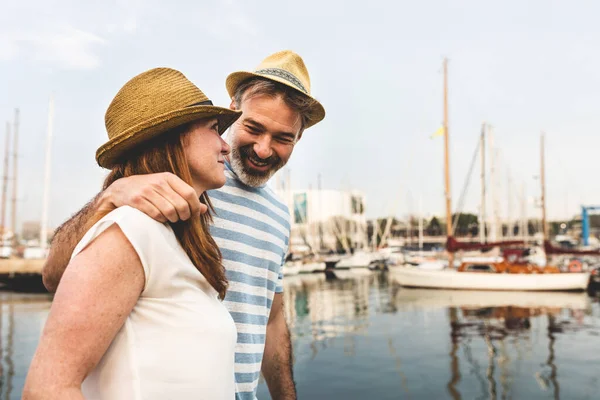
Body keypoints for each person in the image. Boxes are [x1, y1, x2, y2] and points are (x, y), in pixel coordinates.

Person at [41, 50, 326, 400]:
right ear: (231, 112)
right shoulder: (174, 182)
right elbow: (56, 274)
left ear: (298, 139)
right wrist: (111, 196)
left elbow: (271, 320)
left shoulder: (279, 215)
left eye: (283, 138)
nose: (264, 150)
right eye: (254, 128)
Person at [24, 67, 243, 399]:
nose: (226, 146)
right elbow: (47, 389)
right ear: (172, 138)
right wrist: (109, 198)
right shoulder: (130, 229)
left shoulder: (173, 238)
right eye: (214, 129)